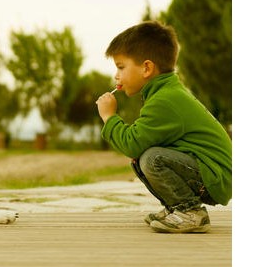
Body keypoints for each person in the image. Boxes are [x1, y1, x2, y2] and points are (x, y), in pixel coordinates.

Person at [95, 21, 232, 233]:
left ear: (147, 68)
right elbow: (138, 143)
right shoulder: (166, 93)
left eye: (121, 67)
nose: (116, 75)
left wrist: (109, 116)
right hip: (211, 173)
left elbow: (132, 143)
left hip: (216, 177)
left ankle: (190, 212)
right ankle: (176, 209)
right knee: (142, 158)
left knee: (152, 158)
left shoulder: (165, 101)